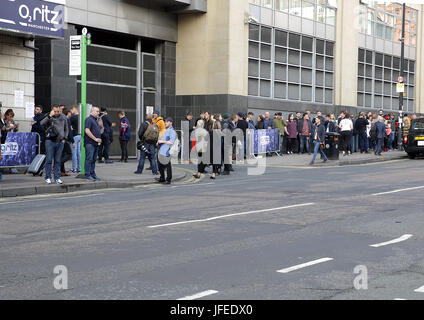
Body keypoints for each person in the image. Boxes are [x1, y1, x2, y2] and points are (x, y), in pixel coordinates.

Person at [40, 105, 69, 184]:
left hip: (60, 141)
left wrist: (64, 138)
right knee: (49, 159)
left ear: (60, 110)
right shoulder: (48, 116)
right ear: (52, 110)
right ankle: (48, 177)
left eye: (58, 111)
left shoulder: (63, 117)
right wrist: (49, 116)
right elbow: (41, 123)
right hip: (50, 141)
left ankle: (57, 178)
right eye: (55, 111)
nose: (56, 113)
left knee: (58, 160)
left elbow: (66, 128)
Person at [156, 117, 177, 185]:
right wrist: (159, 142)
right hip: (162, 150)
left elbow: (171, 142)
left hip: (167, 151)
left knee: (167, 165)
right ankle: (162, 178)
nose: (165, 123)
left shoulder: (172, 131)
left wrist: (162, 141)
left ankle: (168, 179)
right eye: (165, 122)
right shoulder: (166, 130)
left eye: (167, 122)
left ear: (171, 123)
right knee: (160, 165)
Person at [84, 106, 102, 181]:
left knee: (94, 159)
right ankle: (88, 174)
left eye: (98, 111)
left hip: (95, 143)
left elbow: (101, 127)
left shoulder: (96, 120)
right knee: (89, 159)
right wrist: (95, 138)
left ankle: (92, 173)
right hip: (90, 143)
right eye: (97, 111)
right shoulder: (89, 119)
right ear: (92, 111)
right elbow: (87, 130)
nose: (98, 113)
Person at [60, 108, 74, 177]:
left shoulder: (60, 118)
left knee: (62, 154)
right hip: (65, 139)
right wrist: (72, 141)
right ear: (68, 113)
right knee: (69, 154)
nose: (71, 114)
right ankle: (59, 164)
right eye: (70, 112)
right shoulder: (67, 119)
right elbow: (68, 131)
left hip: (59, 138)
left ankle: (62, 171)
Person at [70, 106, 81, 173]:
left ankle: (74, 168)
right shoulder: (80, 117)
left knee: (74, 153)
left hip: (74, 136)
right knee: (78, 152)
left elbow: (69, 125)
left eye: (72, 109)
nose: (71, 110)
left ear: (75, 109)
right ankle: (79, 168)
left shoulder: (73, 117)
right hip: (80, 135)